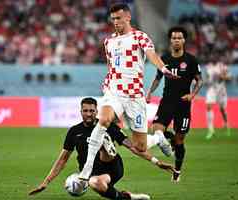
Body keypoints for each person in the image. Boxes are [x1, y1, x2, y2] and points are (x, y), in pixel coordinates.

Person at [79, 3, 179, 181]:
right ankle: (87, 169)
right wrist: (109, 83)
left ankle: (158, 137)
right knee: (103, 120)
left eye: (118, 18)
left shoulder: (140, 37)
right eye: (113, 19)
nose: (115, 22)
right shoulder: (108, 41)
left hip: (134, 96)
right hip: (114, 91)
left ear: (128, 17)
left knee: (140, 146)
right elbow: (112, 66)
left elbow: (152, 55)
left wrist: (163, 69)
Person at [29, 97, 175, 200]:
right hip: (91, 173)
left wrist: (156, 162)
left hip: (112, 166)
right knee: (95, 183)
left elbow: (132, 147)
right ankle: (128, 197)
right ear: (81, 111)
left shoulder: (107, 124)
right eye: (85, 111)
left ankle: (105, 146)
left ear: (96, 111)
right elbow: (63, 159)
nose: (88, 114)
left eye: (91, 111)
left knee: (102, 144)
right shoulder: (74, 131)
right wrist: (46, 182)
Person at [146, 26, 203, 183]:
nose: (176, 40)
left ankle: (177, 170)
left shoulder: (191, 60)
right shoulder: (164, 58)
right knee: (155, 129)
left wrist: (192, 95)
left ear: (184, 40)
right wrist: (149, 92)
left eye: (179, 38)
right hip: (167, 102)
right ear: (170, 40)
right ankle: (167, 138)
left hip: (183, 105)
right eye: (173, 38)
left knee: (179, 141)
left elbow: (200, 80)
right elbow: (158, 78)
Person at [205, 57, 231, 139]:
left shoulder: (222, 66)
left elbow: (229, 77)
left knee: (222, 109)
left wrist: (223, 77)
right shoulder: (208, 67)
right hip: (212, 89)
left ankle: (226, 124)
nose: (213, 58)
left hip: (221, 90)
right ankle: (211, 130)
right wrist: (206, 81)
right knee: (208, 106)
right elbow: (207, 77)